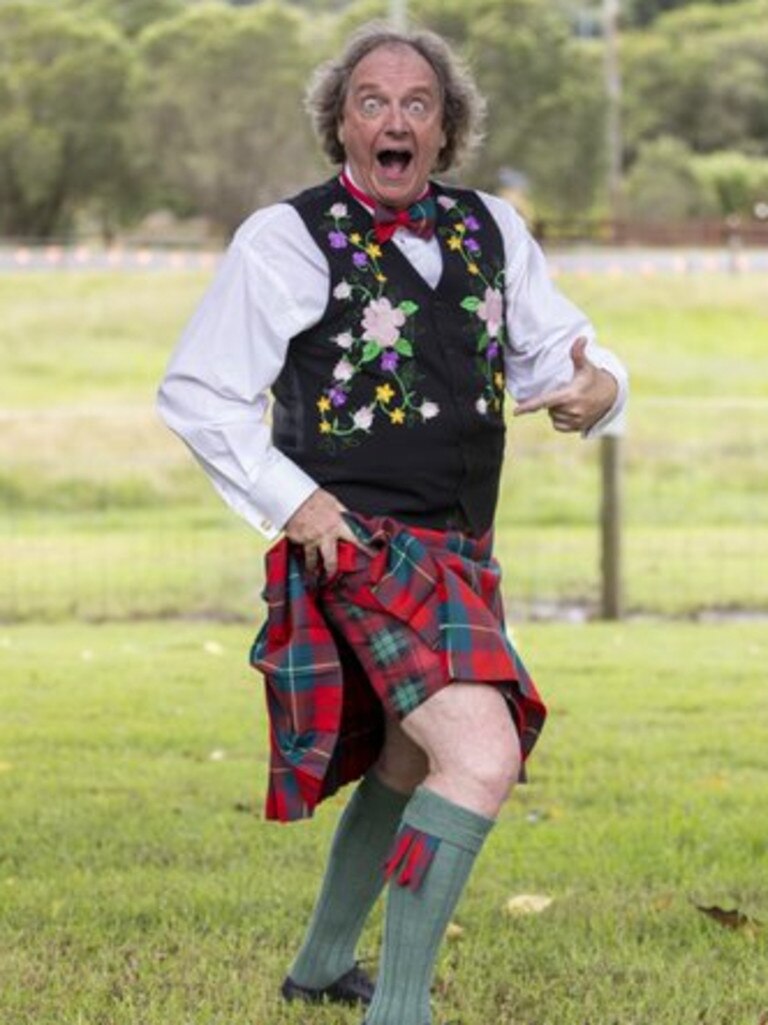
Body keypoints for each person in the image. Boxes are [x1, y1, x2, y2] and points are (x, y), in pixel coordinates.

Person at [157, 22, 628, 1025]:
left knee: (412, 759)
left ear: (446, 125)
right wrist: (296, 500)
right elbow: (199, 391)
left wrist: (599, 388)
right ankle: (398, 1008)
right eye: (372, 100)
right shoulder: (284, 239)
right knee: (482, 756)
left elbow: (561, 355)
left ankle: (324, 966)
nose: (395, 118)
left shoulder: (491, 227)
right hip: (358, 546)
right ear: (340, 122)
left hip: (460, 550)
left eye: (419, 103)